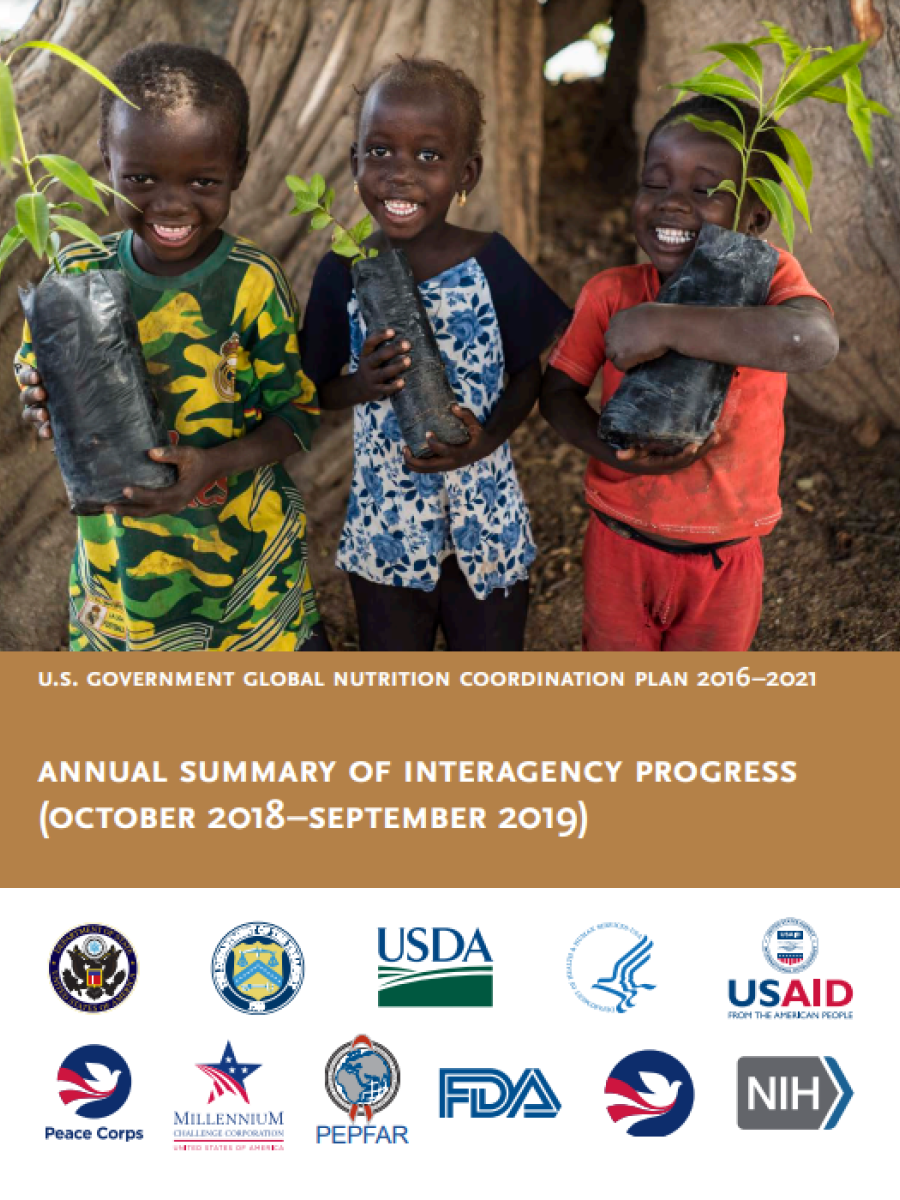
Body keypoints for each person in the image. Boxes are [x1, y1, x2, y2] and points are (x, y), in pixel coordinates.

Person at [17, 43, 327, 652]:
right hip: (122, 573)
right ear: (106, 160)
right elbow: (37, 377)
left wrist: (212, 464)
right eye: (140, 179)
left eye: (203, 180)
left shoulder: (252, 282)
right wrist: (39, 401)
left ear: (238, 169)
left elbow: (298, 417)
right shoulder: (73, 273)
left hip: (246, 570)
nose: (172, 204)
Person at [540, 95, 838, 652]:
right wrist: (607, 451)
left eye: (705, 191)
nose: (671, 204)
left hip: (725, 560)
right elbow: (557, 393)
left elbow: (813, 339)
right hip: (619, 545)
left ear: (755, 219)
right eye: (655, 183)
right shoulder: (611, 293)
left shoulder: (770, 283)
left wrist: (668, 324)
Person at [300, 57, 570, 651]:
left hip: (489, 525)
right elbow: (312, 388)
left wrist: (489, 438)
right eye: (380, 152)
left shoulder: (492, 261)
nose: (401, 175)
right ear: (353, 163)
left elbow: (529, 370)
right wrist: (362, 385)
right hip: (387, 531)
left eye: (428, 156)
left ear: (466, 172)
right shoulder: (343, 272)